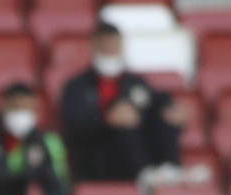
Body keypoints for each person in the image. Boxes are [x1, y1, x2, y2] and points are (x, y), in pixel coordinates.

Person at [60, 21, 194, 185]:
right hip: (99, 156)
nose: (111, 51)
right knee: (125, 123)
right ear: (94, 46)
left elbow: (153, 100)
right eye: (105, 47)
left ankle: (170, 169)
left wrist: (173, 109)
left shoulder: (134, 82)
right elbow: (74, 125)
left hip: (136, 147)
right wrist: (107, 118)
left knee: (164, 114)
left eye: (114, 47)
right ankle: (143, 172)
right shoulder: (78, 86)